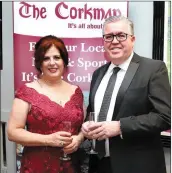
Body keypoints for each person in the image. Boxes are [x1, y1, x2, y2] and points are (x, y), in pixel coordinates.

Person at [81, 16, 171, 173]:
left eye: (121, 35)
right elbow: (92, 111)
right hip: (99, 164)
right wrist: (87, 124)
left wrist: (121, 126)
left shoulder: (153, 69)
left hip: (137, 166)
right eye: (108, 36)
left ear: (133, 39)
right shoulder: (98, 73)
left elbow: (165, 117)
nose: (114, 41)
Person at [7, 35, 85, 173]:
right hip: (37, 166)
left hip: (71, 166)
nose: (52, 63)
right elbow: (13, 132)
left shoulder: (76, 92)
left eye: (57, 57)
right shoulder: (27, 91)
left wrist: (78, 139)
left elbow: (83, 128)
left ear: (64, 61)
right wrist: (48, 140)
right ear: (39, 63)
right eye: (46, 58)